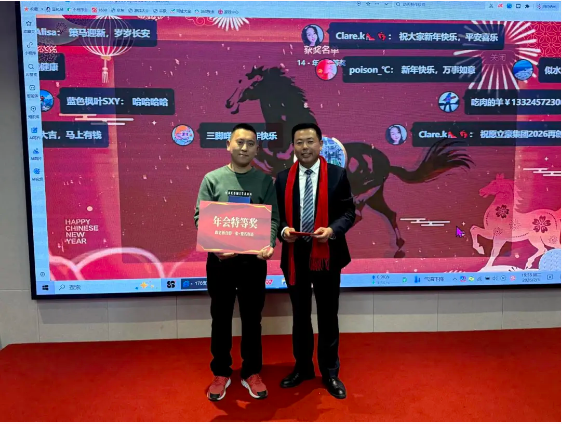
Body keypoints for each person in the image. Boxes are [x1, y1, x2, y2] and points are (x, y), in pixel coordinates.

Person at [194, 123, 280, 401]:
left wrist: (268, 243)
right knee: (220, 318)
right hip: (220, 262)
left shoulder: (265, 181)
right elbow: (200, 217)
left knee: (252, 319)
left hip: (253, 263)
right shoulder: (212, 179)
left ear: (257, 149)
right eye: (239, 142)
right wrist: (216, 246)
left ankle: (251, 371)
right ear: (228, 145)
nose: (244, 148)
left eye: (250, 143)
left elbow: (273, 219)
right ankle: (221, 372)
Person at [274, 123, 355, 399]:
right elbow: (276, 217)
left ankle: (330, 372)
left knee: (328, 315)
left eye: (310, 141)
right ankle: (303, 367)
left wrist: (332, 230)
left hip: (327, 255)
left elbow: (348, 212)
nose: (305, 147)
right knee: (300, 315)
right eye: (299, 142)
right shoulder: (282, 178)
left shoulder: (337, 175)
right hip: (295, 257)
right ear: (293, 147)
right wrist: (283, 231)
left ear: (321, 144)